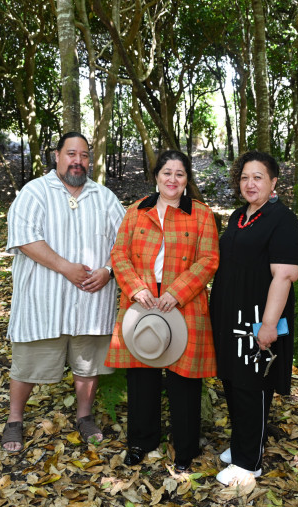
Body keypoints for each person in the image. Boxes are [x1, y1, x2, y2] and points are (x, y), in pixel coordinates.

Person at [2, 132, 125, 452]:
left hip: (91, 302)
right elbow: (23, 238)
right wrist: (65, 267)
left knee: (89, 364)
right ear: (56, 156)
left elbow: (125, 243)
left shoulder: (104, 197)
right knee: (27, 363)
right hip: (44, 303)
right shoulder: (35, 192)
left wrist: (109, 271)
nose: (77, 161)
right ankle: (15, 419)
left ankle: (84, 417)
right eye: (71, 154)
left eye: (84, 155)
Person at [105, 150, 219, 472]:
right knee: (142, 375)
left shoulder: (202, 214)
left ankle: (184, 448)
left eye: (179, 174)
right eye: (167, 173)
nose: (172, 180)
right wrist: (135, 287)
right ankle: (141, 441)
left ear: (187, 180)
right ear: (156, 176)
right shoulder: (136, 211)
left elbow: (209, 259)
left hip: (183, 302)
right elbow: (119, 253)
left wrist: (176, 292)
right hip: (141, 302)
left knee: (184, 379)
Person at [209, 150, 298, 485]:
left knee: (254, 384)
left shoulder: (283, 220)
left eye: (258, 177)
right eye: (245, 177)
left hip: (258, 318)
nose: (250, 184)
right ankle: (241, 445)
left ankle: (249, 463)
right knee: (234, 382)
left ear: (274, 181)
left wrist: (268, 324)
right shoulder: (239, 215)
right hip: (229, 316)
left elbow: (284, 276)